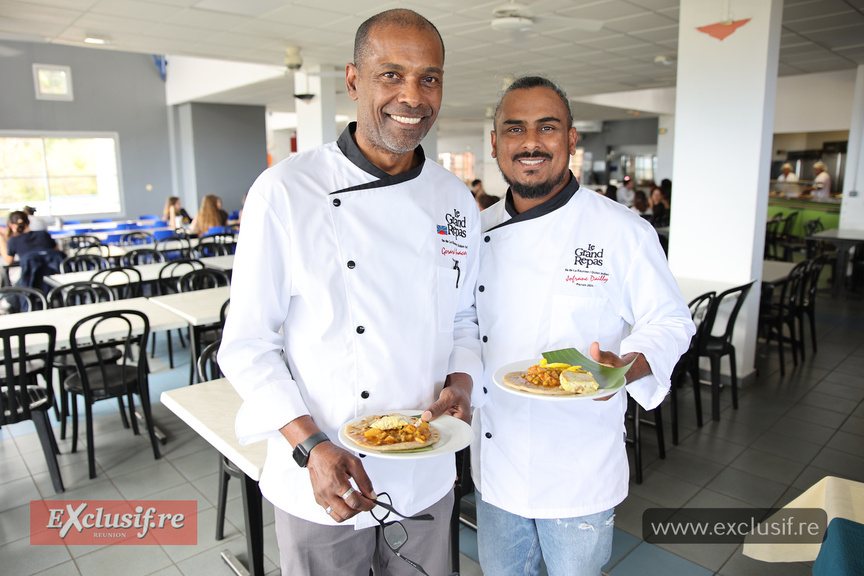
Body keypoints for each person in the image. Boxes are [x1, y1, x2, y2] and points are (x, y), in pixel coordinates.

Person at [217, 9, 482, 576]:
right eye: (391, 74)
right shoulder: (287, 190)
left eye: (429, 77)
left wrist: (461, 382)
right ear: (354, 79)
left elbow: (463, 317)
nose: (412, 96)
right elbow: (246, 344)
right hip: (322, 477)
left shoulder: (456, 201)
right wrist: (310, 446)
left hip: (425, 475)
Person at [472, 76, 694, 576]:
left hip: (577, 471)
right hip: (496, 466)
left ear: (571, 139)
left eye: (547, 128)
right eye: (514, 128)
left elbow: (672, 319)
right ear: (496, 143)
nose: (530, 142)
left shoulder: (621, 230)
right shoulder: (478, 230)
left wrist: (625, 367)